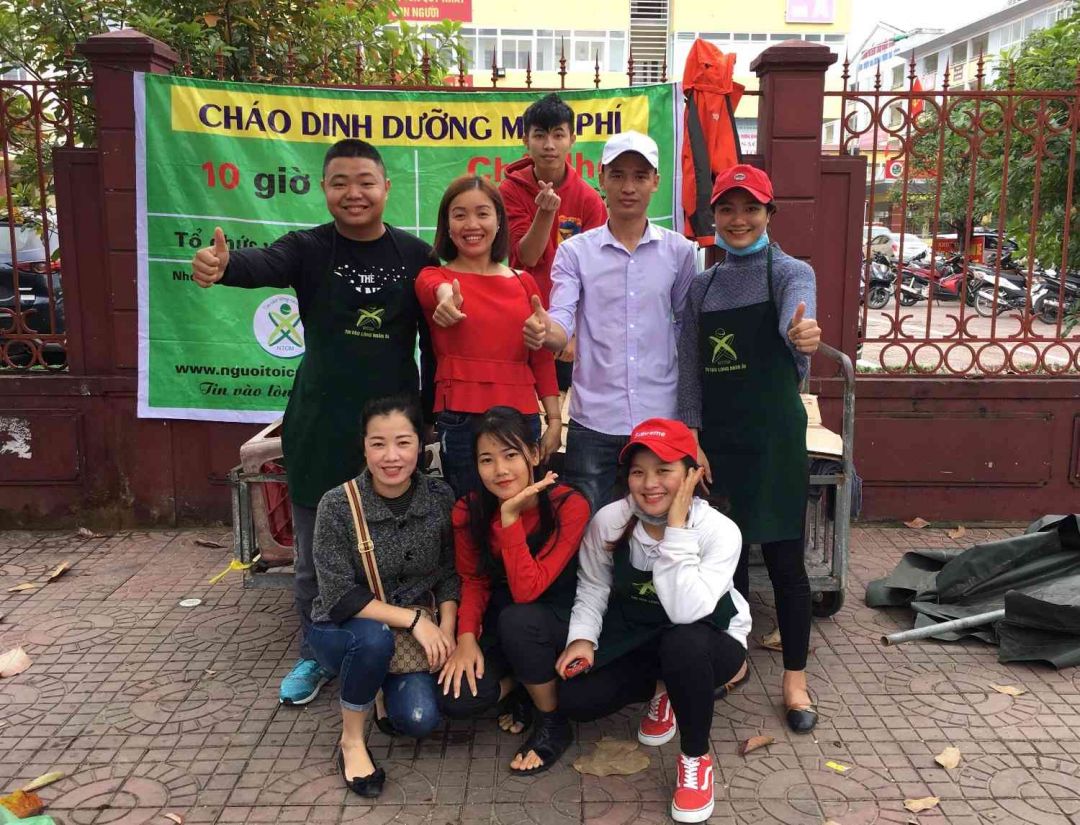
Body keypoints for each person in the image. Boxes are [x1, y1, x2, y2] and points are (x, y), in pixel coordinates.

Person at [190, 139, 437, 706]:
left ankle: (393, 649)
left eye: (365, 181)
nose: (354, 193)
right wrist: (224, 267)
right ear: (324, 189)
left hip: (394, 430)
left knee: (399, 548)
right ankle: (317, 652)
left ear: (386, 188)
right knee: (312, 559)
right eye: (340, 182)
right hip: (320, 422)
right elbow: (262, 263)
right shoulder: (308, 248)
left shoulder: (415, 255)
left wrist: (428, 416)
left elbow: (434, 344)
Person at [676, 164, 822, 734]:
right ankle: (731, 659)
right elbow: (690, 368)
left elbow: (797, 319)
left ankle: (795, 680)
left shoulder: (791, 272)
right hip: (718, 442)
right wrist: (692, 436)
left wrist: (801, 335)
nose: (738, 220)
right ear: (714, 215)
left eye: (751, 208)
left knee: (785, 562)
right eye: (727, 209)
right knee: (723, 561)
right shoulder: (702, 286)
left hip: (774, 440)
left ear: (769, 213)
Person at [554, 419, 750, 824]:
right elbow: (593, 587)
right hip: (640, 635)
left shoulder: (719, 531)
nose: (649, 484)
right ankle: (665, 690)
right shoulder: (609, 521)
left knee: (684, 642)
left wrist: (676, 530)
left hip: (710, 641)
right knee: (577, 699)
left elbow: (686, 611)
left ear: (692, 474)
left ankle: (695, 760)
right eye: (638, 472)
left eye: (664, 471)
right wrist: (582, 639)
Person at [522, 131, 697, 512]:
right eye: (617, 175)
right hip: (594, 421)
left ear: (655, 181)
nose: (628, 187)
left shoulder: (680, 252)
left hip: (660, 416)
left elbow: (688, 332)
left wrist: (691, 420)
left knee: (659, 527)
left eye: (640, 176)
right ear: (601, 177)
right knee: (586, 527)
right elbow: (562, 322)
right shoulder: (575, 253)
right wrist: (545, 331)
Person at [307, 394, 459, 798]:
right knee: (372, 640)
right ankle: (351, 741)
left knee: (420, 719)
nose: (391, 456)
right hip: (343, 628)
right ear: (364, 446)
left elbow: (449, 572)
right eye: (378, 444)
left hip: (410, 633)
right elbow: (339, 596)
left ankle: (378, 688)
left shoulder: (439, 497)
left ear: (421, 444)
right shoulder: (337, 505)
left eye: (403, 442)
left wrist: (447, 630)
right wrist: (415, 621)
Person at [437, 406, 590, 775]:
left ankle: (552, 722)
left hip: (556, 616)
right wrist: (466, 638)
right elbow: (473, 580)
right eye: (486, 460)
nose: (500, 470)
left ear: (534, 454)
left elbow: (527, 589)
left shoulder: (569, 505)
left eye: (510, 455)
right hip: (502, 616)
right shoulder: (468, 510)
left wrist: (510, 518)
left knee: (519, 620)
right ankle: (524, 685)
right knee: (457, 700)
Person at [416, 176, 561, 498]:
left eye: (482, 213)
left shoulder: (524, 282)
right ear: (447, 225)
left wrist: (553, 419)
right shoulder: (434, 276)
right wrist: (445, 297)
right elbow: (433, 290)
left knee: (522, 511)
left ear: (498, 222)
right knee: (467, 513)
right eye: (460, 215)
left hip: (522, 417)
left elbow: (540, 358)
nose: (472, 224)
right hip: (460, 418)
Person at [499, 93, 607, 394]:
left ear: (572, 139)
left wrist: (573, 333)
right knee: (520, 411)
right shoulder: (509, 191)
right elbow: (527, 257)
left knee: (564, 412)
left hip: (569, 335)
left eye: (558, 135)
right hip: (522, 323)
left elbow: (596, 277)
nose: (549, 145)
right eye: (540, 135)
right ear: (526, 140)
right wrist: (545, 213)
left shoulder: (589, 199)